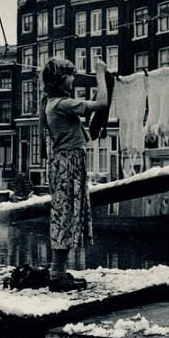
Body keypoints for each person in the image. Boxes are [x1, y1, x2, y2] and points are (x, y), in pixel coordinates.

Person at [41, 57, 108, 292]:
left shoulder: (51, 103)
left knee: (64, 215)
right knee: (66, 216)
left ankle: (58, 271)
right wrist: (101, 73)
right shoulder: (62, 103)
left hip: (65, 162)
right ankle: (57, 275)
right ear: (60, 79)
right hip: (68, 163)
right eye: (70, 75)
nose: (73, 79)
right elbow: (102, 103)